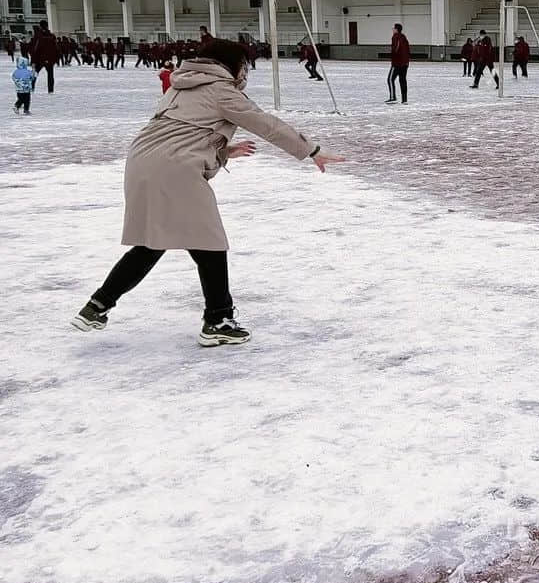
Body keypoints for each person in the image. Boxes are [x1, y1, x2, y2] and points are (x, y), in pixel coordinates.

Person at [71, 38, 344, 347]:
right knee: (208, 243)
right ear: (230, 65)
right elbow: (267, 125)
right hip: (174, 169)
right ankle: (218, 319)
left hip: (142, 162)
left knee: (154, 242)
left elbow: (178, 133)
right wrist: (311, 150)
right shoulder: (221, 90)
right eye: (243, 65)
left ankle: (98, 305)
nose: (245, 72)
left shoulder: (180, 85)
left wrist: (223, 151)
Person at [29, 20, 59, 94]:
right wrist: (55, 60)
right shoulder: (52, 36)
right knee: (50, 75)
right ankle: (50, 90)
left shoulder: (38, 36)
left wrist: (33, 61)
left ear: (40, 26)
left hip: (39, 59)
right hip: (50, 59)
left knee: (35, 73)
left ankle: (31, 88)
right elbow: (56, 49)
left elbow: (34, 49)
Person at [387, 22, 410, 104]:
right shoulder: (404, 37)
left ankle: (393, 97)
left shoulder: (395, 37)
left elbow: (395, 49)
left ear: (396, 29)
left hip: (397, 63)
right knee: (403, 80)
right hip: (405, 63)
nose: (392, 29)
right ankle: (404, 100)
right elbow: (407, 50)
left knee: (390, 79)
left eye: (393, 28)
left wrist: (393, 58)